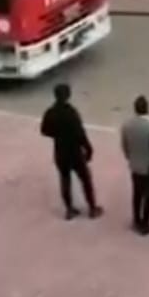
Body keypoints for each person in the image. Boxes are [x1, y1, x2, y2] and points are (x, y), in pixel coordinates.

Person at [40, 82, 102, 221]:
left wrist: (56, 135)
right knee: (85, 179)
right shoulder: (71, 112)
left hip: (60, 151)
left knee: (65, 180)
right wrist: (88, 148)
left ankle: (69, 209)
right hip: (74, 152)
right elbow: (80, 133)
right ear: (68, 95)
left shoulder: (50, 112)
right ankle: (92, 208)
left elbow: (44, 130)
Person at [120, 95, 149, 235]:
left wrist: (130, 158)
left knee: (137, 194)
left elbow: (125, 146)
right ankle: (145, 223)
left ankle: (136, 220)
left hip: (135, 164)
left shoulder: (127, 125)